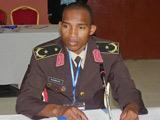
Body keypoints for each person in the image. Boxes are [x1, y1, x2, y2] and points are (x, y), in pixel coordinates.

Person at [16, 2, 148, 120]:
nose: (72, 34)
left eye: (81, 28)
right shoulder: (44, 57)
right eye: (67, 26)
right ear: (60, 26)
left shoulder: (108, 54)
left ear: (91, 30)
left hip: (94, 116)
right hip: (57, 116)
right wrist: (58, 110)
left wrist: (131, 107)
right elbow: (25, 101)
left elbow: (126, 89)